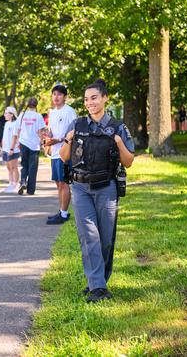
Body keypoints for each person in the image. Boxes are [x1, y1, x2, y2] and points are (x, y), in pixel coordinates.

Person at [59, 78, 134, 303]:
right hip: (80, 187)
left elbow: (128, 162)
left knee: (106, 239)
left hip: (106, 187)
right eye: (86, 99)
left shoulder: (118, 126)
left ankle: (98, 282)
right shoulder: (77, 124)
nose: (89, 103)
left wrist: (120, 143)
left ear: (104, 99)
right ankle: (98, 287)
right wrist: (67, 139)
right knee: (89, 236)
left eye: (93, 98)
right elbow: (64, 157)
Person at [45, 85, 77, 225]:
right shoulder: (53, 113)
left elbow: (74, 132)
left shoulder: (69, 111)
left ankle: (64, 215)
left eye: (59, 94)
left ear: (65, 97)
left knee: (64, 183)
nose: (56, 97)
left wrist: (59, 140)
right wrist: (49, 136)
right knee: (58, 183)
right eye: (54, 94)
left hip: (65, 152)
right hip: (55, 152)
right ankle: (62, 211)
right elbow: (52, 130)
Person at [15, 97, 45, 195]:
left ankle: (23, 182)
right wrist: (42, 143)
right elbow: (40, 132)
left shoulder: (22, 115)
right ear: (36, 105)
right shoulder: (38, 116)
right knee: (33, 167)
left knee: (24, 165)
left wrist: (19, 141)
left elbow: (18, 130)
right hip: (34, 144)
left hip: (23, 142)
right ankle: (31, 190)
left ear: (27, 104)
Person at [0, 107, 20, 193]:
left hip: (13, 149)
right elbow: (4, 137)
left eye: (6, 113)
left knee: (13, 167)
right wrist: (2, 148)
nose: (4, 115)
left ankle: (16, 185)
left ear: (12, 114)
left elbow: (14, 137)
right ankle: (10, 185)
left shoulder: (16, 124)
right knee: (8, 168)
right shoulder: (7, 123)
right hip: (5, 149)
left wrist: (11, 149)